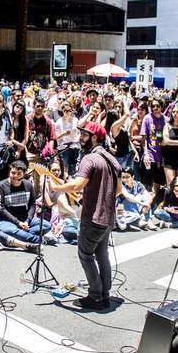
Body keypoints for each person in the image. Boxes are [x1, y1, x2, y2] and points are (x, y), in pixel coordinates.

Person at [52, 121, 121, 311]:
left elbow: (77, 185)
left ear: (95, 137)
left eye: (84, 136)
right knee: (102, 255)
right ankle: (105, 294)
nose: (81, 139)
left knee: (85, 254)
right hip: (108, 217)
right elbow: (118, 190)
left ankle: (95, 296)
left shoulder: (89, 159)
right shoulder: (112, 159)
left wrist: (56, 187)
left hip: (93, 218)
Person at [0, 161, 51, 247]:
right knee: (10, 230)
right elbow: (0, 208)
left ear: (23, 174)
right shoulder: (0, 186)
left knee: (47, 225)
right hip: (5, 221)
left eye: (19, 173)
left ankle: (20, 236)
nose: (15, 176)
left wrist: (27, 221)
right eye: (13, 173)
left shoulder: (28, 185)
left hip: (24, 220)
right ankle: (39, 240)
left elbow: (32, 204)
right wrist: (18, 222)